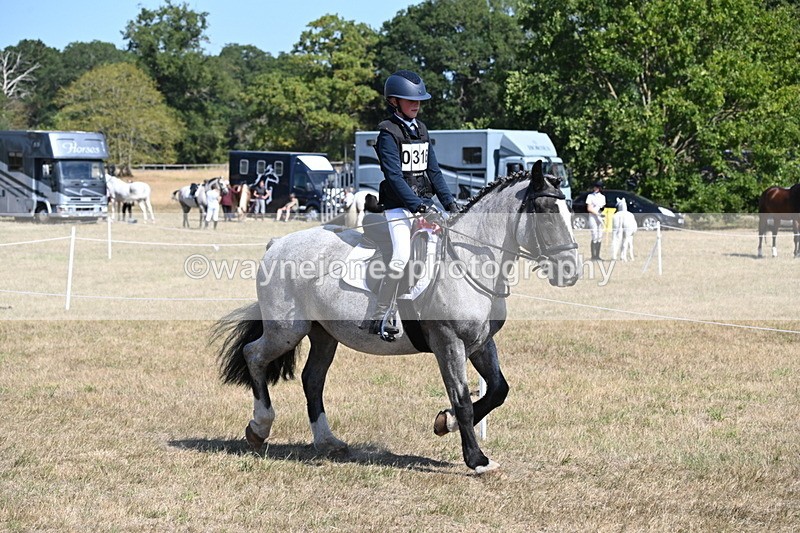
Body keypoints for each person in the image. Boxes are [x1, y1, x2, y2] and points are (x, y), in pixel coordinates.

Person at [364, 69, 460, 339]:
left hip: (424, 202)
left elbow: (434, 171)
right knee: (401, 256)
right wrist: (417, 206)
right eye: (410, 100)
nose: (416, 104)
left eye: (418, 100)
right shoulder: (387, 133)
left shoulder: (421, 130)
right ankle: (381, 314)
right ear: (394, 101)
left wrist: (450, 203)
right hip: (398, 207)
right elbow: (393, 177)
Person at [586, 181, 607, 260]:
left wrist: (602, 214)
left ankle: (597, 255)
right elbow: (589, 208)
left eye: (597, 187)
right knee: (594, 235)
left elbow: (602, 208)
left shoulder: (602, 197)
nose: (595, 188)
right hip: (593, 217)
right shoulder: (590, 196)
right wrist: (597, 214)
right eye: (595, 187)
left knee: (599, 236)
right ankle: (593, 256)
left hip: (600, 217)